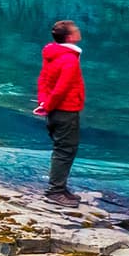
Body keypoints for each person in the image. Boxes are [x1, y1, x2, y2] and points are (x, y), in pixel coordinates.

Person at [34, 20, 85, 194]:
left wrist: (43, 102)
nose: (79, 31)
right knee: (65, 150)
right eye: (76, 30)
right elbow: (61, 89)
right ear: (70, 37)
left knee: (62, 148)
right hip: (65, 110)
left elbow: (43, 79)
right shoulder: (69, 59)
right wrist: (47, 106)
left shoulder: (52, 54)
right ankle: (56, 190)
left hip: (55, 110)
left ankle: (58, 187)